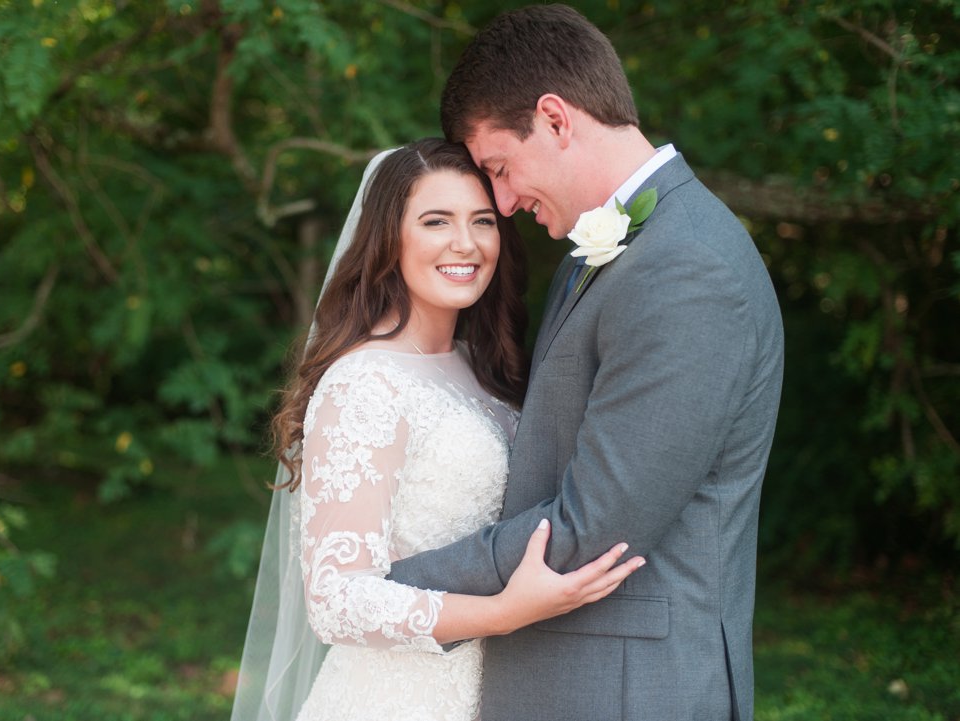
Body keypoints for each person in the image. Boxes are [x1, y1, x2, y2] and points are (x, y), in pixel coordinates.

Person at [386, 6, 785, 721]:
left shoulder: (685, 268)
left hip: (631, 688)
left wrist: (389, 587)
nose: (501, 203)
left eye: (501, 169)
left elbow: (592, 523)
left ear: (556, 119)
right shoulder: (605, 253)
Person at [231, 138, 644, 721]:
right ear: (388, 238)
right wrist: (505, 612)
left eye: (482, 221)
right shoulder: (364, 384)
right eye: (435, 221)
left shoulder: (482, 366)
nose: (466, 243)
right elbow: (336, 601)